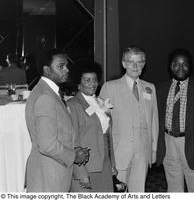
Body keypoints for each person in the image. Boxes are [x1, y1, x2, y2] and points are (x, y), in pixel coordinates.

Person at [25, 48, 90, 192]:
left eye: (66, 65)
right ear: (47, 70)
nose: (66, 70)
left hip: (52, 172)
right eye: (60, 66)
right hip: (49, 175)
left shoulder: (47, 92)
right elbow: (47, 145)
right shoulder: (45, 97)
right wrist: (74, 155)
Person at [100, 46, 159, 192]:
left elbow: (154, 121)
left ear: (144, 64)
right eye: (131, 62)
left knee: (138, 192)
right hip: (119, 152)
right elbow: (101, 124)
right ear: (123, 64)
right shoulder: (110, 87)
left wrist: (153, 150)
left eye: (139, 62)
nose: (135, 66)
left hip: (143, 152)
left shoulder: (149, 88)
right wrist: (106, 155)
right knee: (117, 192)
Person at [156, 49, 194, 192]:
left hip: (192, 142)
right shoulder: (160, 88)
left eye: (185, 64)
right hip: (168, 141)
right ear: (170, 66)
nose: (180, 68)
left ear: (190, 67)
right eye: (176, 64)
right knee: (173, 185)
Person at [67, 62, 117, 192]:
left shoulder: (100, 101)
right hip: (87, 167)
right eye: (87, 80)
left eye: (94, 80)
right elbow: (73, 141)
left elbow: (107, 136)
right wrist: (80, 173)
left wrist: (112, 164)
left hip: (104, 165)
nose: (92, 84)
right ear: (78, 83)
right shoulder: (73, 104)